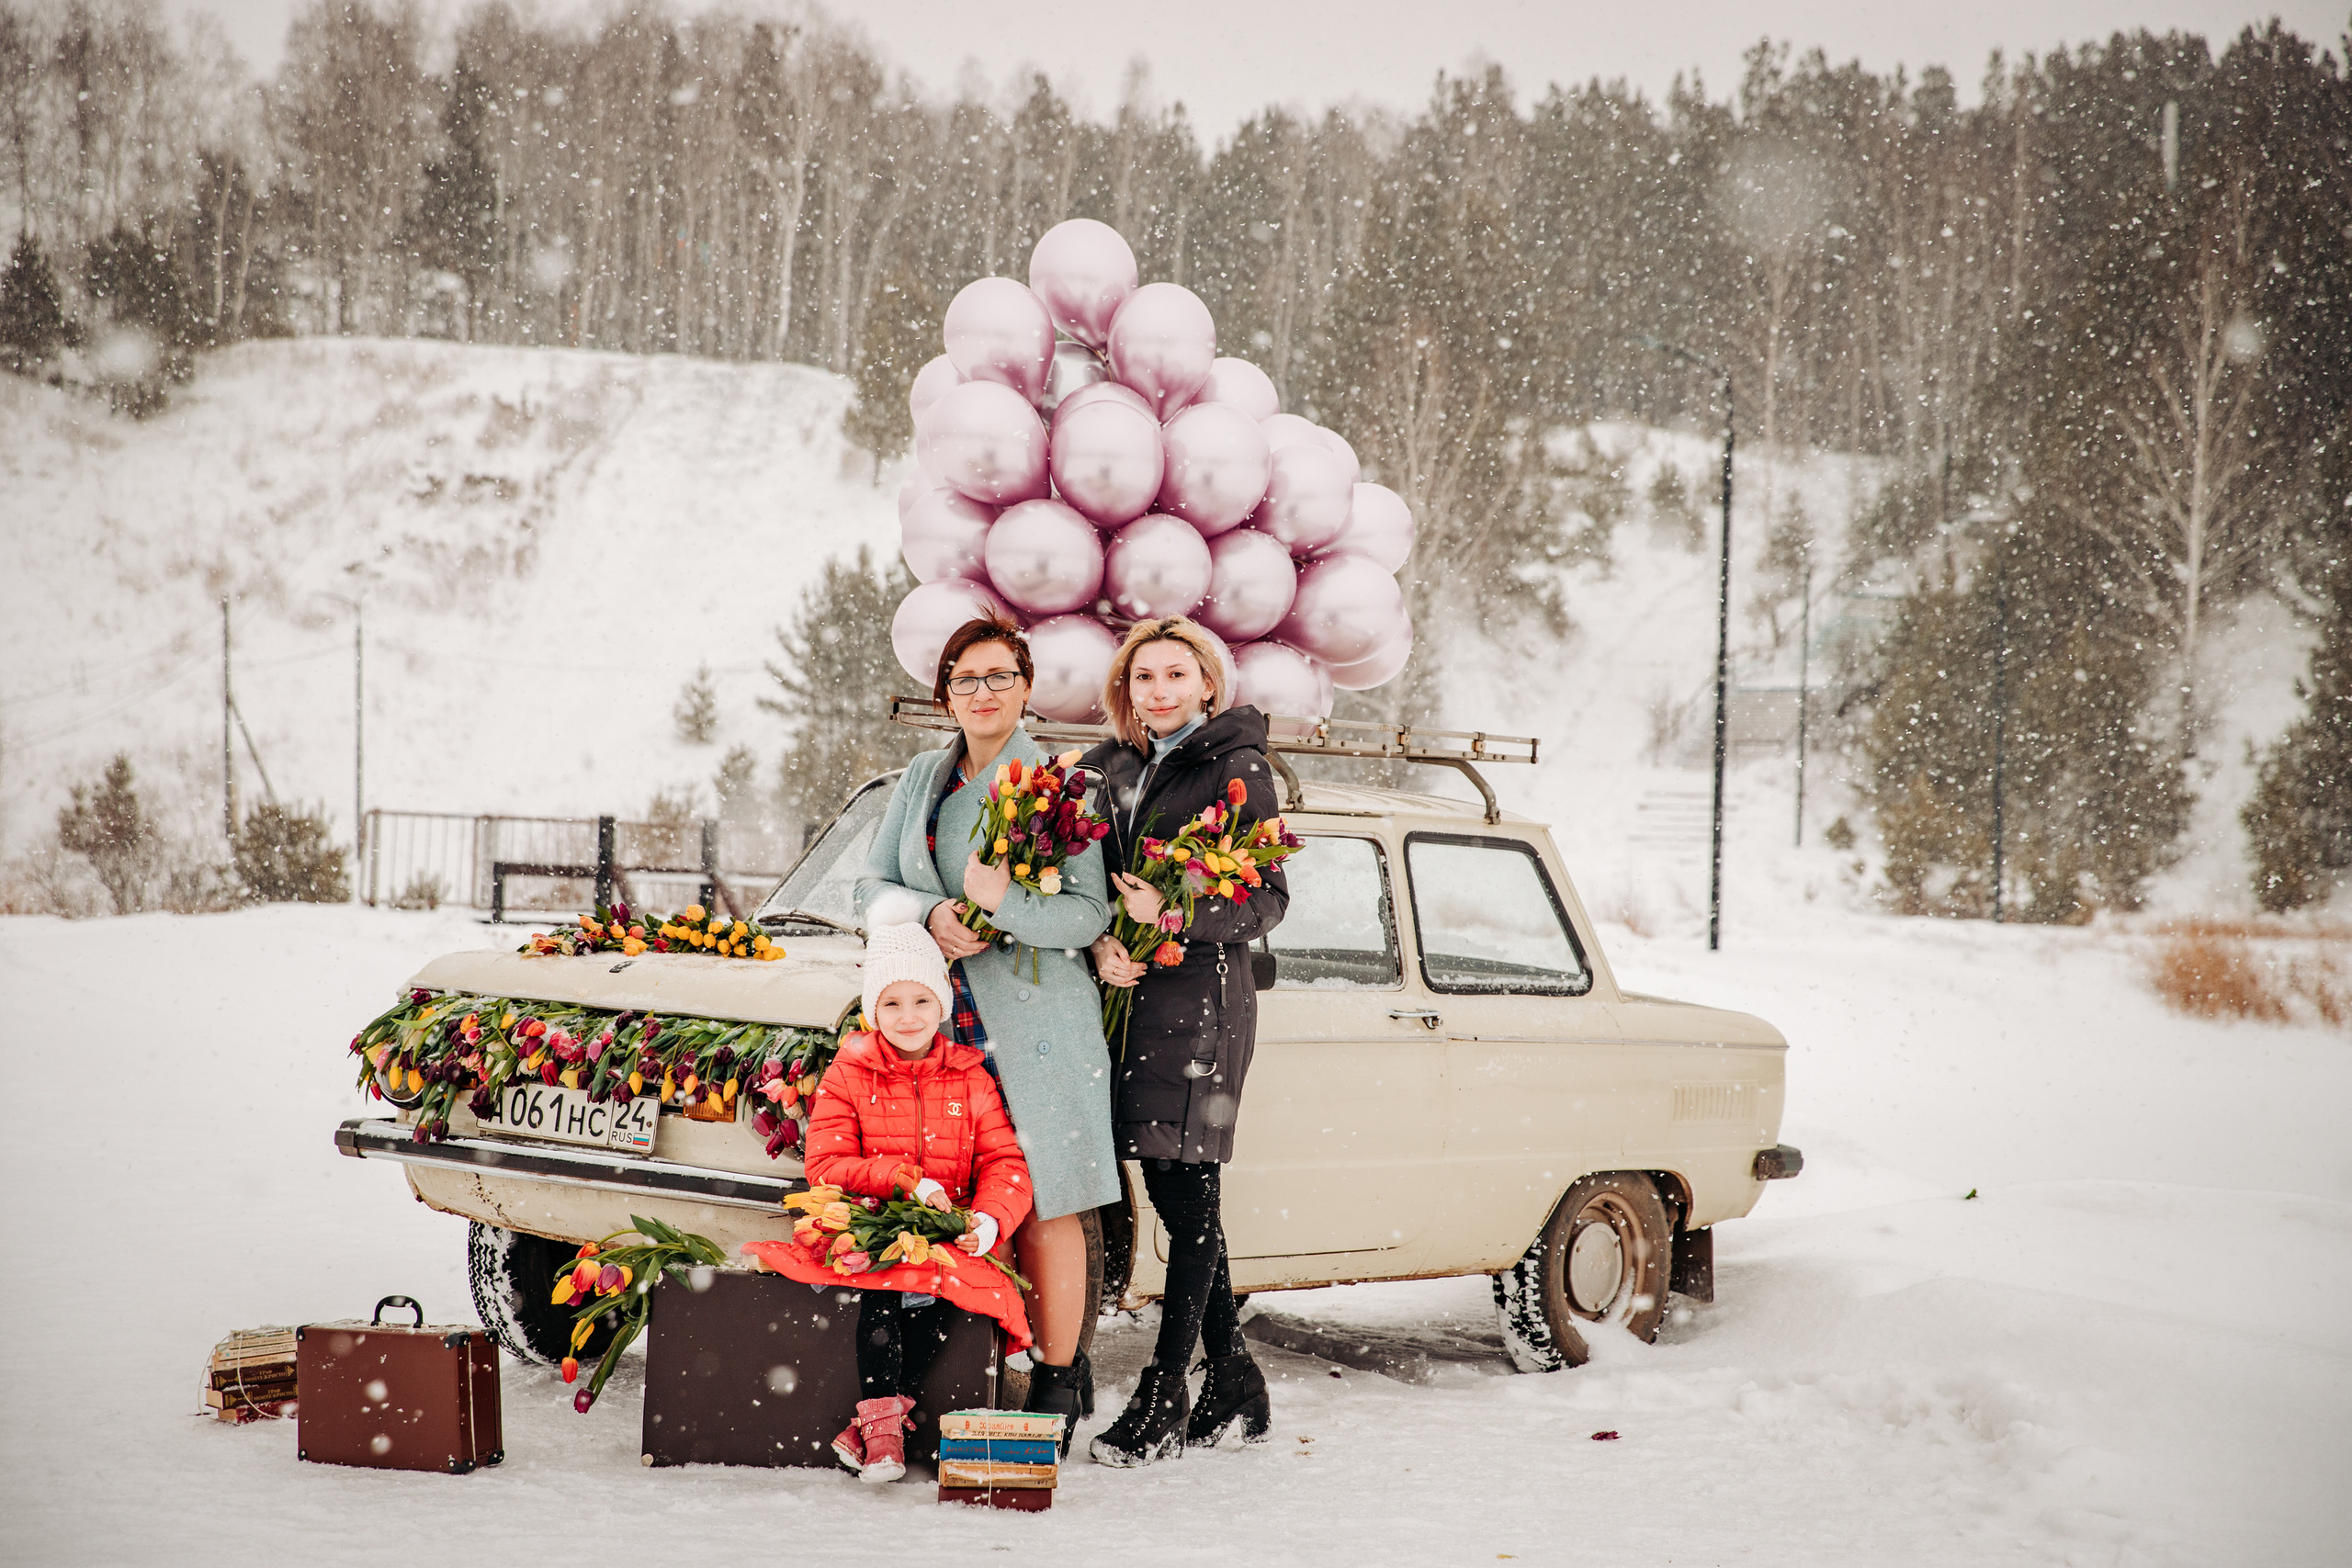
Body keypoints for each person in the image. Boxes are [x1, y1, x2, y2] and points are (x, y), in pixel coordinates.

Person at [854, 615, 1122, 1449]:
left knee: (1046, 1197)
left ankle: (1057, 1379)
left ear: (1026, 686)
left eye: (1000, 675)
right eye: (965, 678)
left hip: (1038, 1021)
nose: (983, 692)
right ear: (944, 693)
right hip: (936, 1024)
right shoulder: (921, 777)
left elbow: (1088, 914)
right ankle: (961, 1378)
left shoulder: (1061, 783)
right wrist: (930, 911)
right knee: (958, 1198)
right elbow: (869, 886)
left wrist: (1004, 905)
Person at [1081, 615, 1289, 1467]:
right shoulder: (1108, 768)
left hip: (1201, 1003)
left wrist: (1172, 911)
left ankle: (1165, 1390)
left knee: (1188, 1188)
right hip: (1125, 1002)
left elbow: (1267, 899)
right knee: (1173, 1192)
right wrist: (1102, 940)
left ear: (1208, 683)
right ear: (1124, 690)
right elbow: (1083, 883)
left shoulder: (1237, 767)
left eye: (1176, 674)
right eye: (1144, 677)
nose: (1159, 690)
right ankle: (1233, 1377)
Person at [803, 922, 1033, 1483]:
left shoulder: (970, 1078)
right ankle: (885, 1439)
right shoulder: (849, 1073)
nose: (908, 1017)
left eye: (922, 1001)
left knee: (950, 1291)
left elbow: (1004, 1161)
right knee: (886, 1290)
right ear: (872, 1011)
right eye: (892, 1003)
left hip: (947, 1225)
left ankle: (872, 1424)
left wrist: (989, 1217)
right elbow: (826, 1165)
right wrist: (902, 1181)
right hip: (870, 1219)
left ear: (942, 1004)